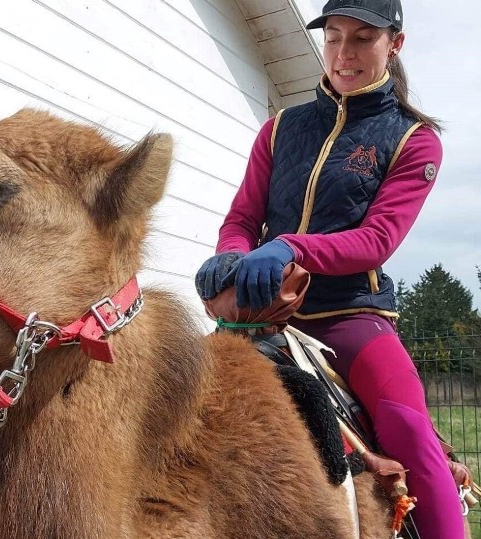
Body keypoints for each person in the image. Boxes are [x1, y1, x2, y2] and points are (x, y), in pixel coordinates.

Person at [195, 0, 464, 536]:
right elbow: (243, 218)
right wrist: (231, 255)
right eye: (334, 37)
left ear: (395, 44)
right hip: (262, 312)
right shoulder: (280, 129)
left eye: (363, 38)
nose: (344, 53)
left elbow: (376, 240)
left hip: (350, 316)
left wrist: (291, 248)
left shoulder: (414, 139)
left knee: (410, 433)